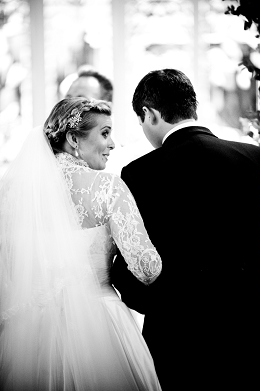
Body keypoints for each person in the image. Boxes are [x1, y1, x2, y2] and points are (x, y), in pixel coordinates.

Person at [109, 69, 259, 389]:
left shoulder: (140, 173)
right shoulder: (251, 158)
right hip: (244, 330)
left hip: (176, 336)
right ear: (192, 107)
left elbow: (129, 266)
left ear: (149, 114)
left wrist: (157, 305)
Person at [0, 97, 161, 389]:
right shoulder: (108, 187)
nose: (113, 143)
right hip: (100, 325)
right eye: (105, 133)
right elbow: (147, 267)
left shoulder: (15, 196)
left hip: (32, 334)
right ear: (74, 138)